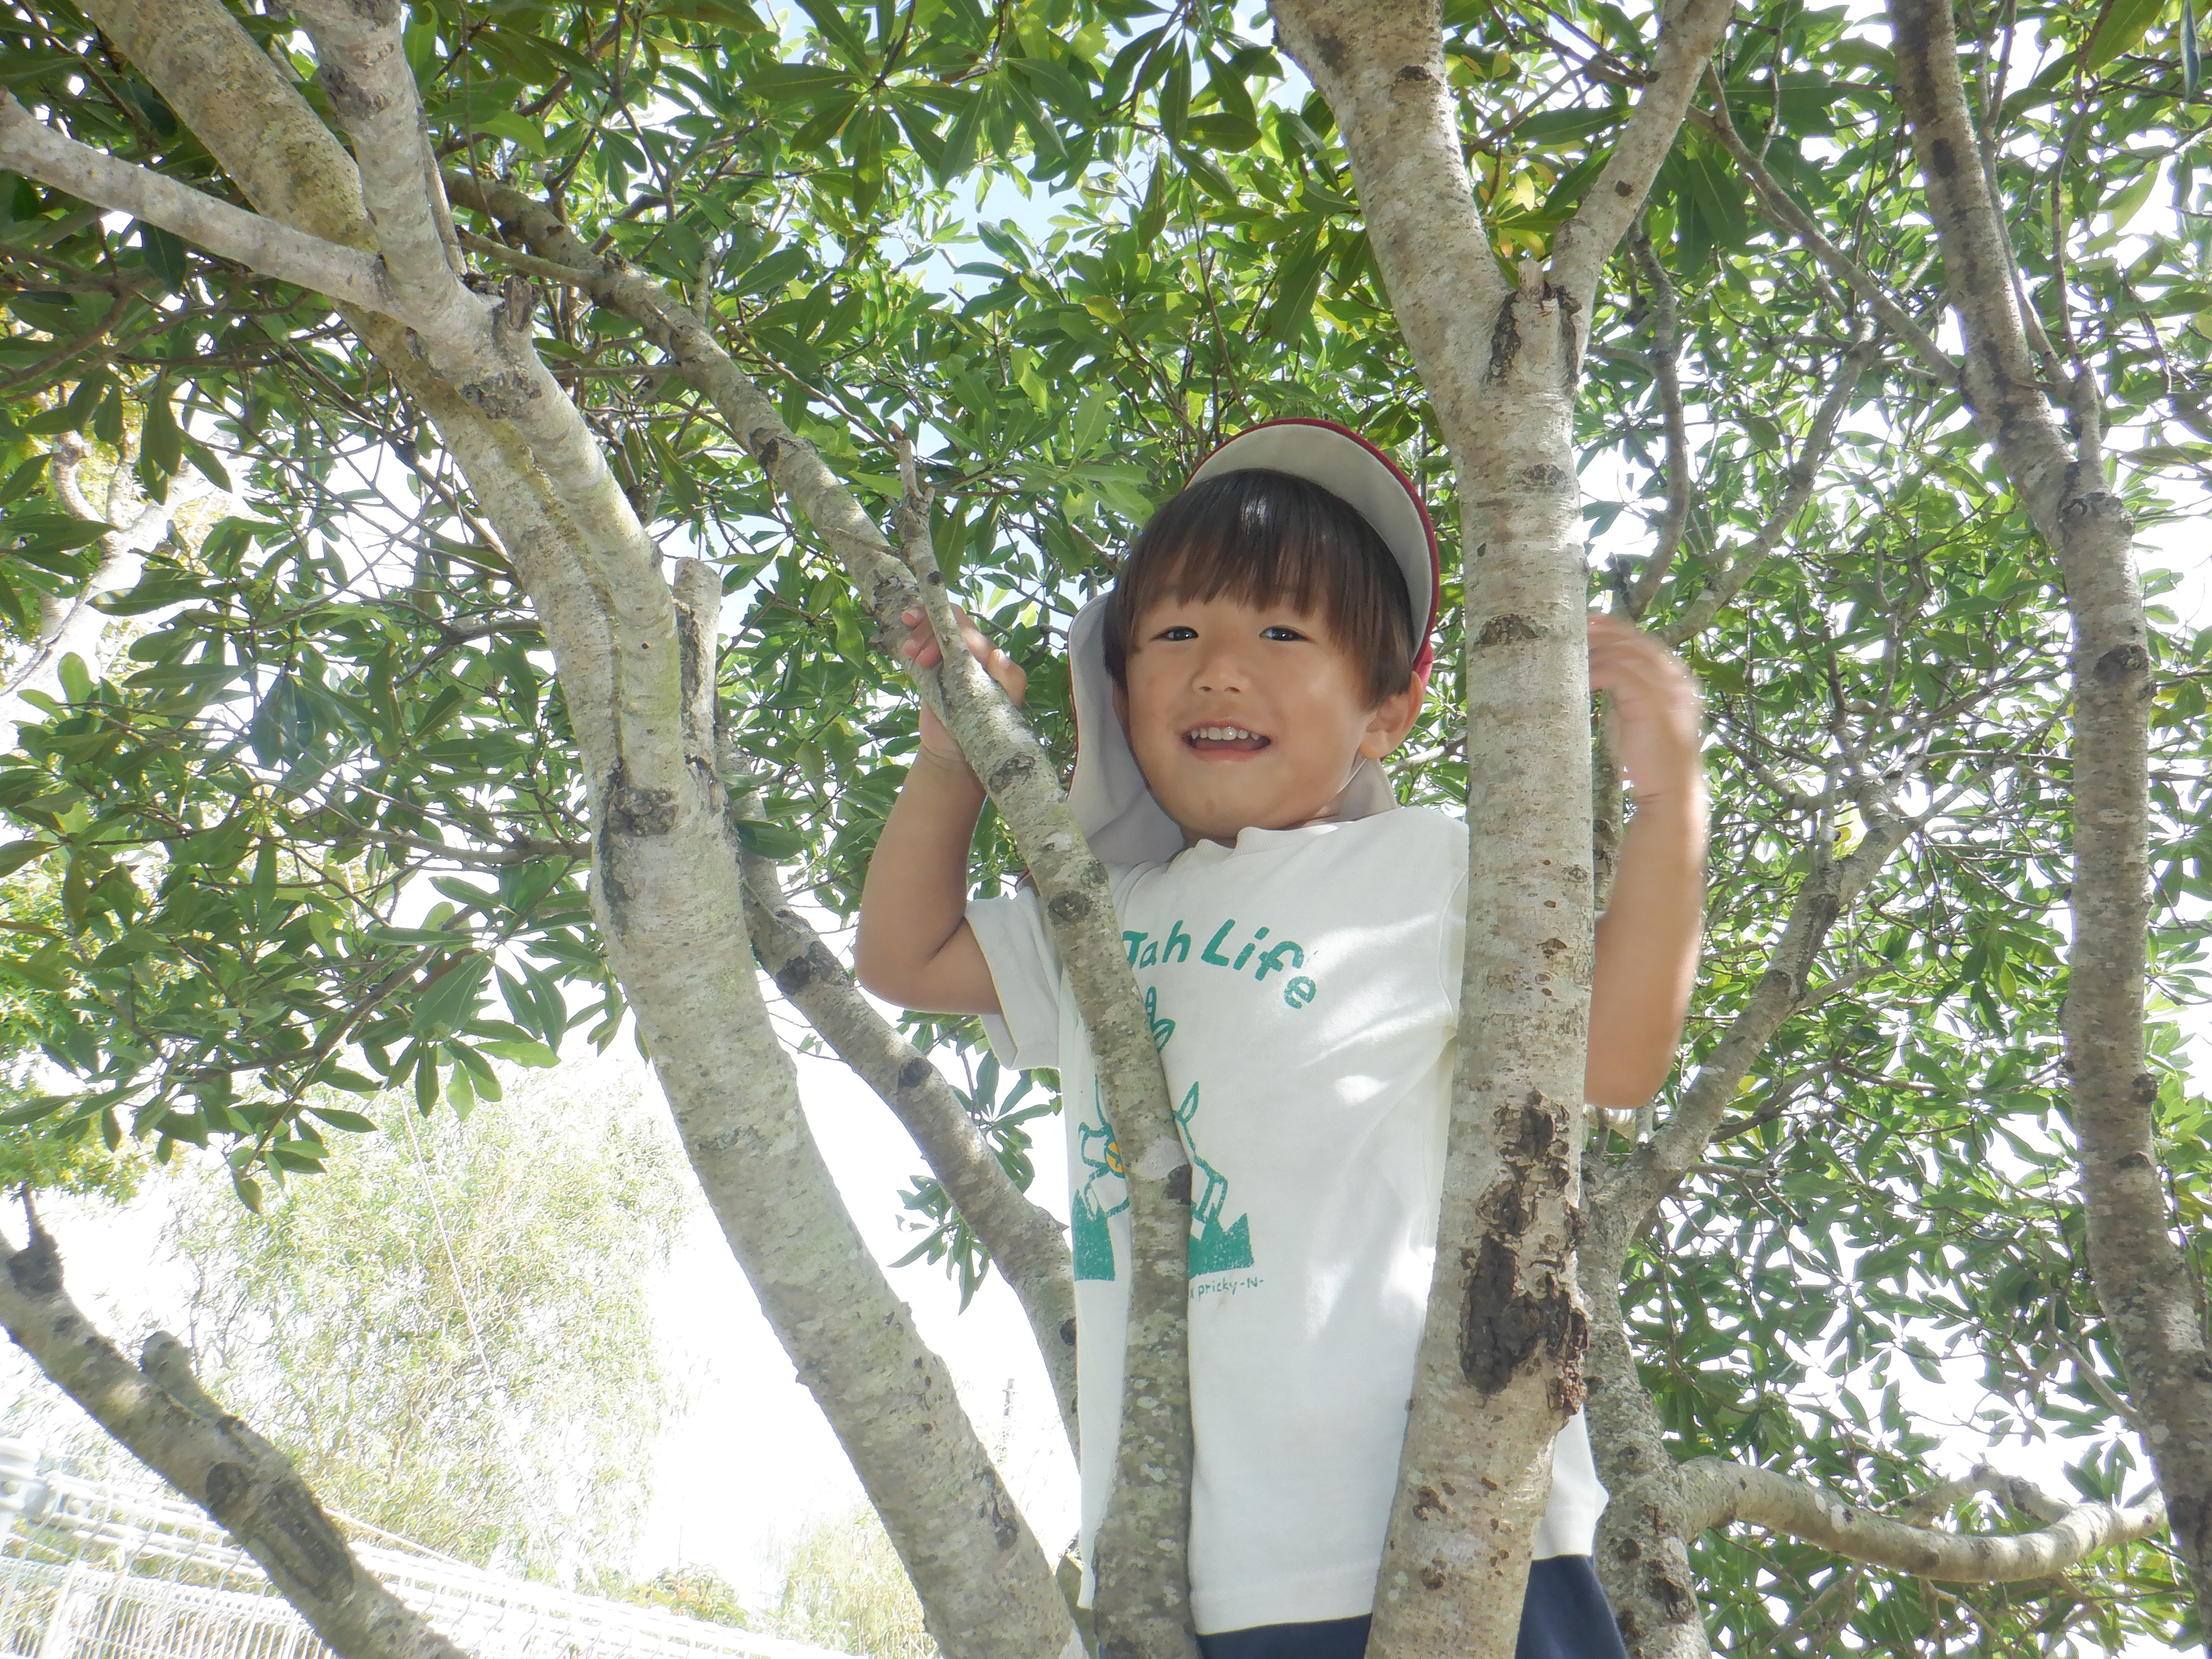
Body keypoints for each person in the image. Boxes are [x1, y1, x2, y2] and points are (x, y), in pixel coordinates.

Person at [854, 419, 1707, 1659]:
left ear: (1389, 709)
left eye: (1283, 634)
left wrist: (1670, 803)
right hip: (1189, 1577)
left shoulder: (1426, 865)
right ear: (1116, 692)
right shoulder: (1108, 912)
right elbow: (903, 955)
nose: (1219, 671)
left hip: (1442, 1527)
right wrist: (952, 762)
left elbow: (1614, 1060)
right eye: (1174, 635)